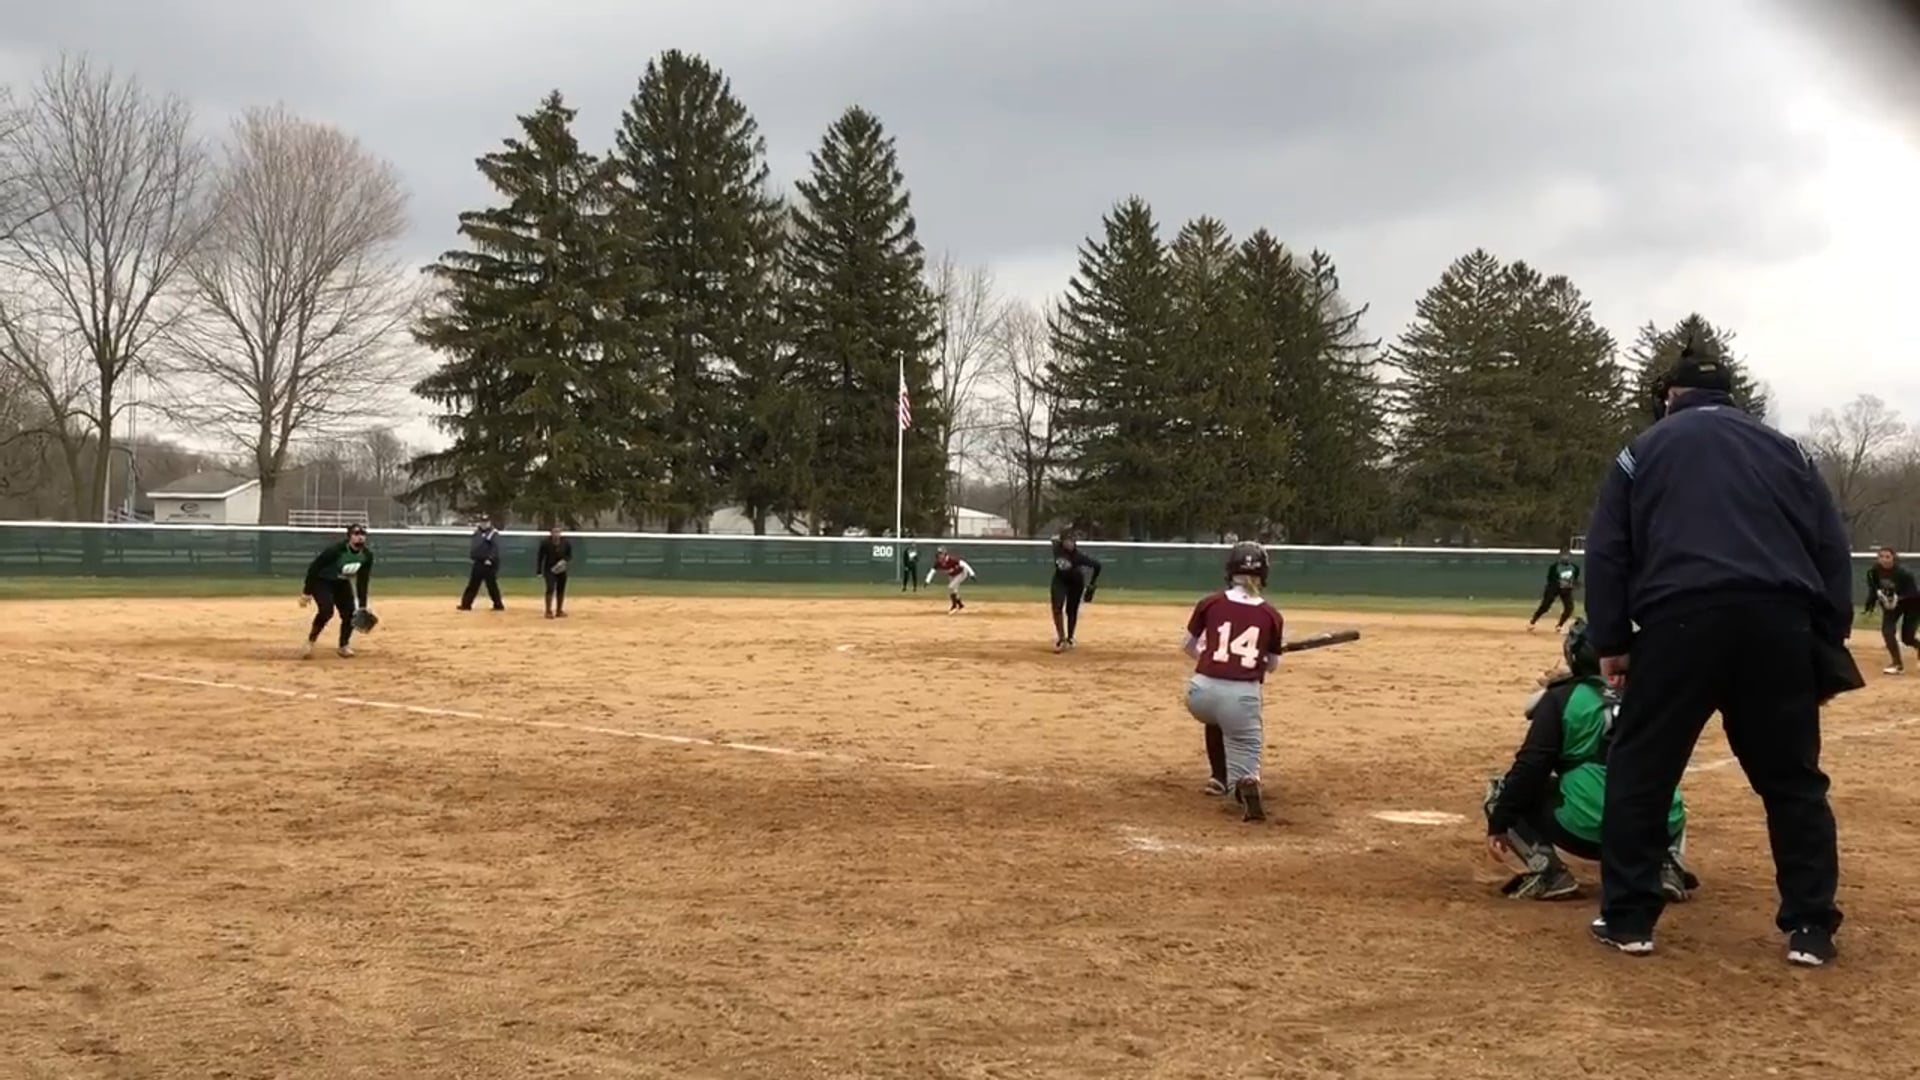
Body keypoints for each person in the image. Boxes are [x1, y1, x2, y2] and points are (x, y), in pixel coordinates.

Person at [1582, 342, 1853, 966]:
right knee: (1793, 782)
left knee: (1643, 773)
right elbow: (1831, 545)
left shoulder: (1640, 451)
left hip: (1680, 620)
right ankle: (1810, 928)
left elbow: (1607, 550)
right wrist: (1827, 636)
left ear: (1671, 397)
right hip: (1778, 622)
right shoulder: (1789, 450)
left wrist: (1612, 642)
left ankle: (1629, 919)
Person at [1485, 618, 1699, 902]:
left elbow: (1531, 767)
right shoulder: (1652, 695)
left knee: (1503, 790)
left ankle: (1550, 874)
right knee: (1667, 791)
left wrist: (1500, 821)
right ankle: (1667, 867)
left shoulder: (1562, 698)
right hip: (1653, 828)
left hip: (1587, 830)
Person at [1182, 541, 1284, 822]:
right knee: (1246, 743)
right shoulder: (1271, 615)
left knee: (1217, 717)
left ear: (1230, 571)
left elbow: (1188, 646)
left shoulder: (1210, 603)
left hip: (1199, 692)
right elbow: (1272, 666)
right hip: (1240, 697)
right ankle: (1243, 784)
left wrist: (1210, 657)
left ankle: (1218, 777)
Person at [300, 523, 373, 659]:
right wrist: (307, 592)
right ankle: (310, 641)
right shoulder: (336, 550)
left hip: (341, 583)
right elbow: (315, 567)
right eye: (356, 534)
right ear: (349, 536)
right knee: (326, 611)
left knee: (350, 614)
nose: (360, 537)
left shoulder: (366, 555)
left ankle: (343, 646)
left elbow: (363, 581)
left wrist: (362, 605)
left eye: (363, 534)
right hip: (322, 581)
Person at [1863, 546, 1918, 675]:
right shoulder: (1874, 571)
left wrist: (1897, 599)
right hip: (1891, 605)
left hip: (1912, 604)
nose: (1884, 559)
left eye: (1887, 557)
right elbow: (1874, 589)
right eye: (1881, 556)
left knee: (1907, 638)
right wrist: (1870, 605)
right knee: (1887, 632)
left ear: (1894, 558)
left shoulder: (1903, 573)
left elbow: (1914, 594)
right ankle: (1897, 664)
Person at [1048, 533, 1103, 652]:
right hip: (1060, 581)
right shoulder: (1057, 549)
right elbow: (1053, 538)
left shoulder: (1079, 556)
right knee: (1057, 607)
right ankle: (1061, 639)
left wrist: (1092, 584)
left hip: (1075, 583)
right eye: (1066, 541)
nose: (1069, 543)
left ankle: (1070, 638)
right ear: (1062, 542)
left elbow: (1097, 565)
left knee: (1071, 611)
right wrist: (1060, 535)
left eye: (1071, 541)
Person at [1527, 546, 1581, 633]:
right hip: (1553, 589)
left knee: (1569, 608)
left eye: (1567, 555)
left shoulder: (1575, 568)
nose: (1565, 557)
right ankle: (1533, 621)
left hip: (1566, 590)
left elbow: (1574, 579)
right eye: (1563, 555)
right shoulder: (1554, 567)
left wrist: (1574, 584)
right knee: (1545, 606)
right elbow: (1550, 579)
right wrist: (1559, 585)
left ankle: (1559, 625)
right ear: (1560, 556)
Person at [459, 516, 505, 612]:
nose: (483, 524)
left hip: (489, 563)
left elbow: (495, 548)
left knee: (491, 584)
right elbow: (474, 546)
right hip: (478, 562)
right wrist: (473, 556)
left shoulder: (493, 533)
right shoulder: (477, 533)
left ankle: (498, 604)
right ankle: (466, 604)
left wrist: (490, 559)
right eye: (482, 522)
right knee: (473, 584)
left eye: (486, 522)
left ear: (489, 523)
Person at [536, 526, 573, 619]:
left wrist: (564, 561)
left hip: (561, 570)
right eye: (554, 532)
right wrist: (539, 570)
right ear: (551, 533)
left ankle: (559, 610)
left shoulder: (565, 543)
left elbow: (569, 556)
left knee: (561, 589)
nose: (556, 534)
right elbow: (540, 557)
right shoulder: (545, 543)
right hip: (549, 569)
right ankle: (548, 611)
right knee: (550, 588)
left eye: (558, 532)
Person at [926, 547, 975, 614]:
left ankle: (954, 606)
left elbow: (964, 564)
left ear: (945, 554)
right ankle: (960, 605)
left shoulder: (951, 560)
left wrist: (972, 574)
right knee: (953, 590)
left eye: (941, 554)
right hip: (952, 575)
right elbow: (932, 571)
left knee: (951, 587)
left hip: (961, 573)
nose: (939, 555)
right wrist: (927, 580)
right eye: (939, 554)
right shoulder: (938, 562)